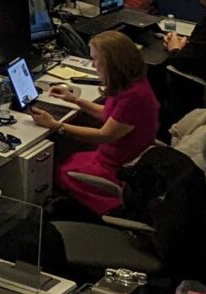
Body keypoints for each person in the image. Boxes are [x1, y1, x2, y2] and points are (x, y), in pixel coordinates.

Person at [35, 30, 160, 215]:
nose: (93, 65)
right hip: (119, 158)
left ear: (111, 62)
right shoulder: (132, 84)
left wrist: (56, 126)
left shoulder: (134, 97)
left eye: (95, 59)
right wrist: (74, 100)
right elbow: (110, 115)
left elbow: (104, 135)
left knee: (59, 169)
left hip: (117, 169)